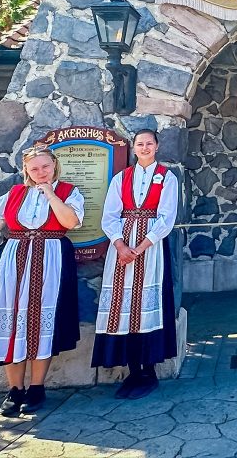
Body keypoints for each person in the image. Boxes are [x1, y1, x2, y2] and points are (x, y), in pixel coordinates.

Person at [0, 145, 84, 416]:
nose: (40, 172)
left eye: (45, 167)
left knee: (41, 323)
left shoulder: (68, 192)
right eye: (34, 168)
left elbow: (70, 221)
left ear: (54, 166)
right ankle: (14, 390)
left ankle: (37, 387)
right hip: (14, 261)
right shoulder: (14, 193)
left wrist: (50, 193)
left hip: (50, 261)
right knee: (13, 321)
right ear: (26, 170)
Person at [92, 129, 178, 400]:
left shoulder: (167, 177)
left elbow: (167, 217)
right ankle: (131, 370)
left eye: (149, 143)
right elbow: (110, 215)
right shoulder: (122, 177)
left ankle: (148, 371)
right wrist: (120, 245)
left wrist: (141, 247)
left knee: (146, 306)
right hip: (123, 247)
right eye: (139, 144)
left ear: (157, 146)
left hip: (150, 250)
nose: (144, 147)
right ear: (133, 147)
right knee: (124, 305)